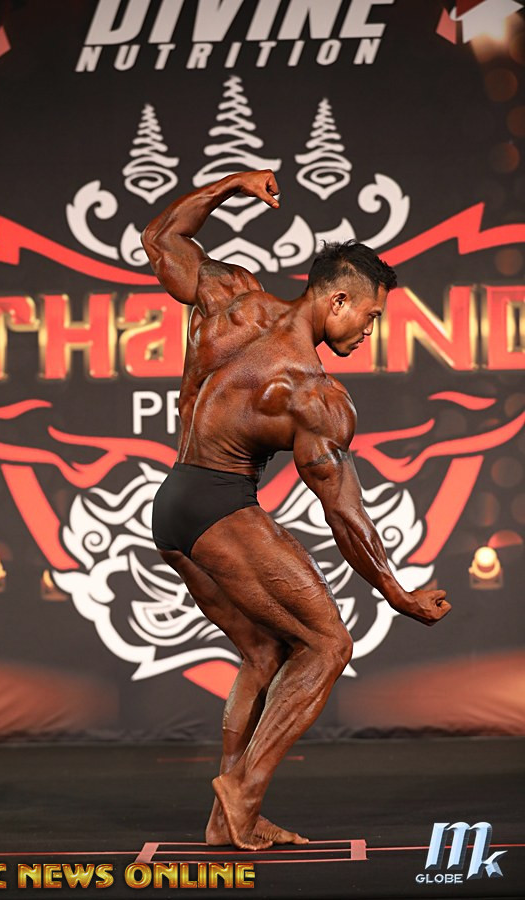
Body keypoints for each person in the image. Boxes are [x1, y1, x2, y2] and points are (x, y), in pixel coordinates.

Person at [142, 170, 451, 851]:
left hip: (172, 507)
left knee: (264, 652)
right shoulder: (313, 395)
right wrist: (395, 592)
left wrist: (229, 185)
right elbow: (344, 514)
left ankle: (226, 823)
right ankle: (243, 790)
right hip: (219, 504)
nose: (369, 332)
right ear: (338, 299)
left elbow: (160, 238)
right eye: (370, 317)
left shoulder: (233, 300)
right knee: (328, 644)